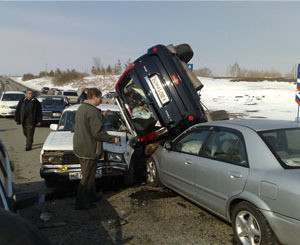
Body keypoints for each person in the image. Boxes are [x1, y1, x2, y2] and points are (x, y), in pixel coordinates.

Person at [73, 87, 119, 210]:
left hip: (80, 147)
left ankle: (92, 196)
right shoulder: (92, 112)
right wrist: (112, 139)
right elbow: (98, 133)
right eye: (100, 97)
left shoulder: (82, 108)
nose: (101, 100)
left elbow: (90, 124)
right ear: (94, 97)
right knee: (87, 177)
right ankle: (81, 203)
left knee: (90, 175)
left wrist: (102, 116)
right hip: (89, 149)